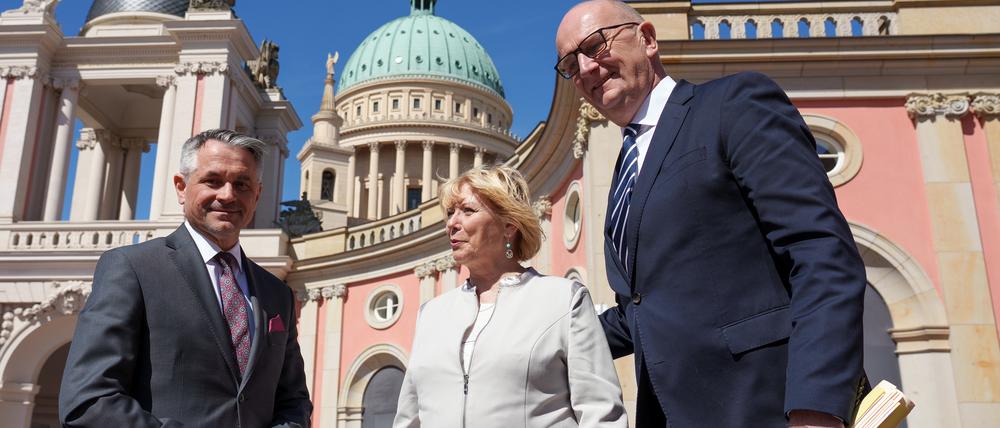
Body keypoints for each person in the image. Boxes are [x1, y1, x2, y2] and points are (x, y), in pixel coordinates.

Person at [555, 1, 867, 427]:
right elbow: (642, 310)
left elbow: (819, 251)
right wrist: (540, 337)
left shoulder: (734, 103)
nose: (586, 68)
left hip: (768, 408)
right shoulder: (624, 170)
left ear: (647, 39)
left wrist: (816, 406)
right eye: (570, 65)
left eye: (595, 45)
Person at [59, 129, 312, 427]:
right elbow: (88, 400)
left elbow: (294, 401)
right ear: (181, 187)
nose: (227, 195)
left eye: (241, 184)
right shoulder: (132, 269)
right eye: (212, 181)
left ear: (256, 195)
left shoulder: (276, 293)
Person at [393, 165, 627, 427]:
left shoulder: (563, 300)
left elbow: (601, 413)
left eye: (467, 211)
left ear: (509, 225)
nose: (451, 224)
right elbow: (408, 419)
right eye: (450, 213)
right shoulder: (431, 315)